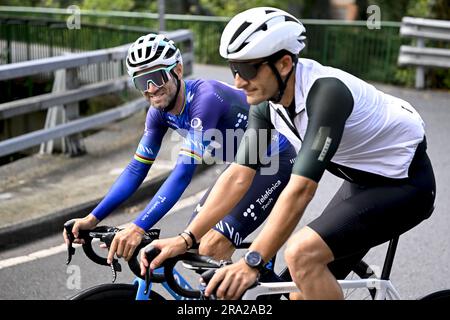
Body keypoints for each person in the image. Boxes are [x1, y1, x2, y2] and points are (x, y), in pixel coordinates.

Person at [140, 7, 436, 300]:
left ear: (283, 64)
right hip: (361, 182)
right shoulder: (265, 102)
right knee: (296, 293)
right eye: (234, 69)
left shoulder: (326, 94)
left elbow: (301, 189)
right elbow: (239, 176)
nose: (238, 82)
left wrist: (252, 262)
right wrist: (185, 239)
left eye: (247, 69)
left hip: (405, 185)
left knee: (301, 254)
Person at [62, 33, 296, 264]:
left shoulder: (206, 99)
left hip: (274, 162)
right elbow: (136, 170)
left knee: (212, 246)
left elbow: (183, 173)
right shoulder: (157, 114)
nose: (152, 88)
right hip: (240, 167)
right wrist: (92, 218)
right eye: (142, 82)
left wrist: (138, 227)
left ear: (178, 71)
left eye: (157, 77)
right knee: (193, 246)